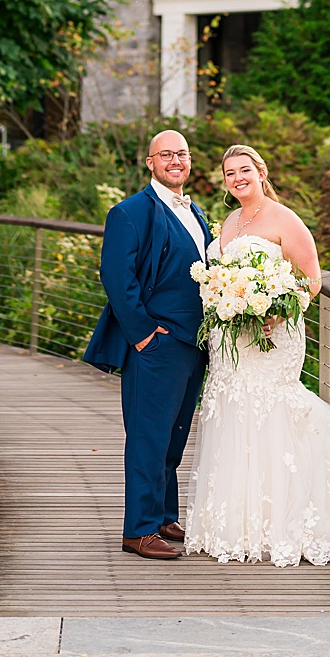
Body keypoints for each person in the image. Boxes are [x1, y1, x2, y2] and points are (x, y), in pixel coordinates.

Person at [182, 143, 330, 566]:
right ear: (225, 182)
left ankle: (287, 525)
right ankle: (235, 526)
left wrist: (277, 313)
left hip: (271, 336)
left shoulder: (285, 219)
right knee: (231, 412)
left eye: (244, 170)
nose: (237, 178)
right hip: (232, 342)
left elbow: (312, 280)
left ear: (261, 173)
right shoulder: (228, 221)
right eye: (229, 173)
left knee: (272, 414)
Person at [83, 129, 212, 561]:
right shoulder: (129, 212)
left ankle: (161, 516)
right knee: (147, 436)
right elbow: (118, 279)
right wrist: (142, 335)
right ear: (150, 162)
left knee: (173, 436)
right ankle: (137, 530)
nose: (176, 160)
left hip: (195, 345)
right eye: (166, 154)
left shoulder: (196, 212)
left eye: (183, 154)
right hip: (156, 344)